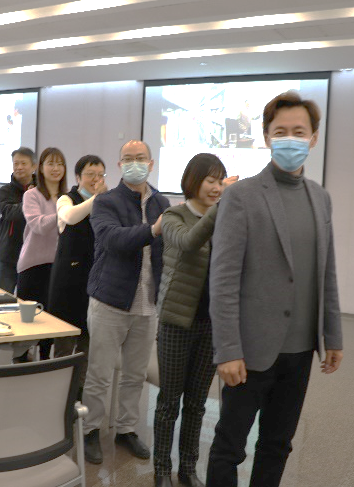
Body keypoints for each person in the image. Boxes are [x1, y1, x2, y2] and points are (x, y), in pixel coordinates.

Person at [206, 91, 344, 487]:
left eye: (299, 131)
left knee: (277, 444)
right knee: (230, 446)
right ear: (267, 137)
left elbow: (327, 272)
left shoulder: (320, 198)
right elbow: (223, 279)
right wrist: (227, 349)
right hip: (249, 352)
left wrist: (333, 335)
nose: (290, 139)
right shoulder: (241, 196)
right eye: (280, 132)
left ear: (313, 138)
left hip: (300, 352)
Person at [82, 140, 170, 465]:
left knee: (135, 373)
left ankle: (126, 429)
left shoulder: (162, 202)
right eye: (128, 159)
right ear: (119, 165)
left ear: (151, 163)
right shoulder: (105, 201)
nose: (135, 163)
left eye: (141, 158)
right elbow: (112, 240)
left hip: (148, 303)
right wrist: (153, 230)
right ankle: (90, 429)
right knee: (100, 372)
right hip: (110, 300)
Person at [153, 154, 238, 487]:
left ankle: (187, 468)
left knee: (197, 403)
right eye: (211, 181)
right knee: (169, 402)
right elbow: (189, 243)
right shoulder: (174, 215)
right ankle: (162, 468)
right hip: (176, 322)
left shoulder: (224, 218)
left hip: (211, 324)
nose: (217, 188)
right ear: (193, 181)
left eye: (221, 181)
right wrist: (221, 208)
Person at [49, 154, 107, 398]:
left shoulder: (105, 203)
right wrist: (96, 198)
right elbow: (71, 217)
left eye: (100, 175)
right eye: (90, 175)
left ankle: (78, 394)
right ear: (77, 177)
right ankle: (57, 393)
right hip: (67, 283)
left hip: (94, 282)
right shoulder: (66, 199)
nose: (95, 179)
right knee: (64, 342)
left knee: (87, 343)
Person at [17, 147, 67, 361]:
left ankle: (45, 364)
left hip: (58, 267)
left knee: (50, 323)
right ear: (40, 168)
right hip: (32, 266)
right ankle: (20, 363)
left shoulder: (67, 197)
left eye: (60, 164)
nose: (56, 168)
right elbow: (38, 225)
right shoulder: (32, 195)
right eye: (51, 164)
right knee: (28, 324)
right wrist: (64, 213)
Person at [0, 147, 36, 293]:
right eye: (15, 163)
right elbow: (10, 214)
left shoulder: (42, 190)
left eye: (23, 163)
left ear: (34, 166)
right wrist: (30, 200)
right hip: (8, 255)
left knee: (29, 300)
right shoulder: (4, 191)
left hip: (34, 255)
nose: (19, 167)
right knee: (3, 298)